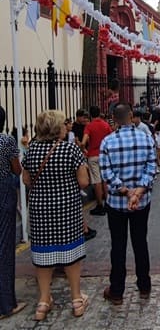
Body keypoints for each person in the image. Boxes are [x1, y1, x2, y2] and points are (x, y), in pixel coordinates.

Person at [22, 110, 90, 320]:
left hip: (41, 208)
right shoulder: (70, 149)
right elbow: (84, 182)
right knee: (71, 254)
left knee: (43, 255)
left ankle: (43, 301)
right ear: (56, 128)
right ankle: (77, 299)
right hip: (66, 207)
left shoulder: (32, 150)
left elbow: (26, 180)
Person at [99, 103, 157, 304]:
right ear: (131, 116)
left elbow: (106, 173)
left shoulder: (107, 142)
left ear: (114, 119)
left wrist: (125, 191)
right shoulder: (146, 137)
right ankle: (144, 285)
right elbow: (152, 165)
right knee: (140, 242)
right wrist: (139, 191)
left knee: (118, 245)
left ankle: (117, 290)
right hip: (142, 200)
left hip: (117, 201)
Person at [0, 106, 27, 320]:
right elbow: (17, 169)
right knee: (5, 247)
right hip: (3, 194)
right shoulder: (6, 141)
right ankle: (6, 304)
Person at [81, 105, 112, 216]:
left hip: (93, 155)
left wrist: (83, 148)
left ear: (90, 114)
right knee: (104, 179)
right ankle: (108, 203)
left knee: (96, 180)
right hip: (104, 154)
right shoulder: (106, 125)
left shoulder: (89, 126)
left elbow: (84, 141)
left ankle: (100, 205)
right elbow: (111, 139)